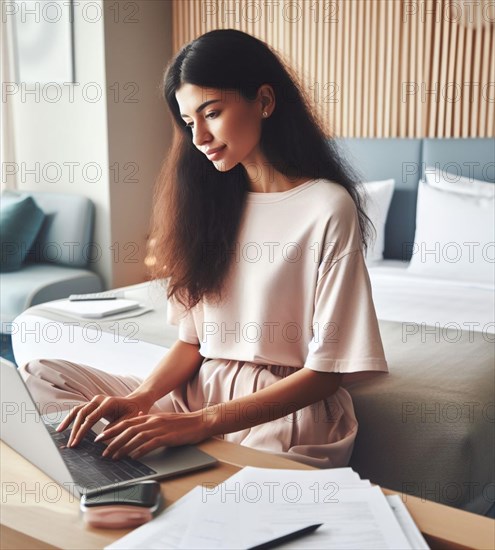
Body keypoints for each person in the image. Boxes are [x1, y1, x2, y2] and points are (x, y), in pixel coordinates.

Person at [20, 29, 388, 469]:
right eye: (189, 122)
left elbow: (325, 375)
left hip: (281, 411)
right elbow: (191, 344)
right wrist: (139, 400)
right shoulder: (207, 205)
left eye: (211, 113)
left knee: (237, 502)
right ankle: (120, 477)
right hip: (197, 392)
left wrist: (202, 423)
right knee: (40, 376)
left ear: (265, 101)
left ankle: (158, 476)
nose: (199, 138)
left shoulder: (327, 206)